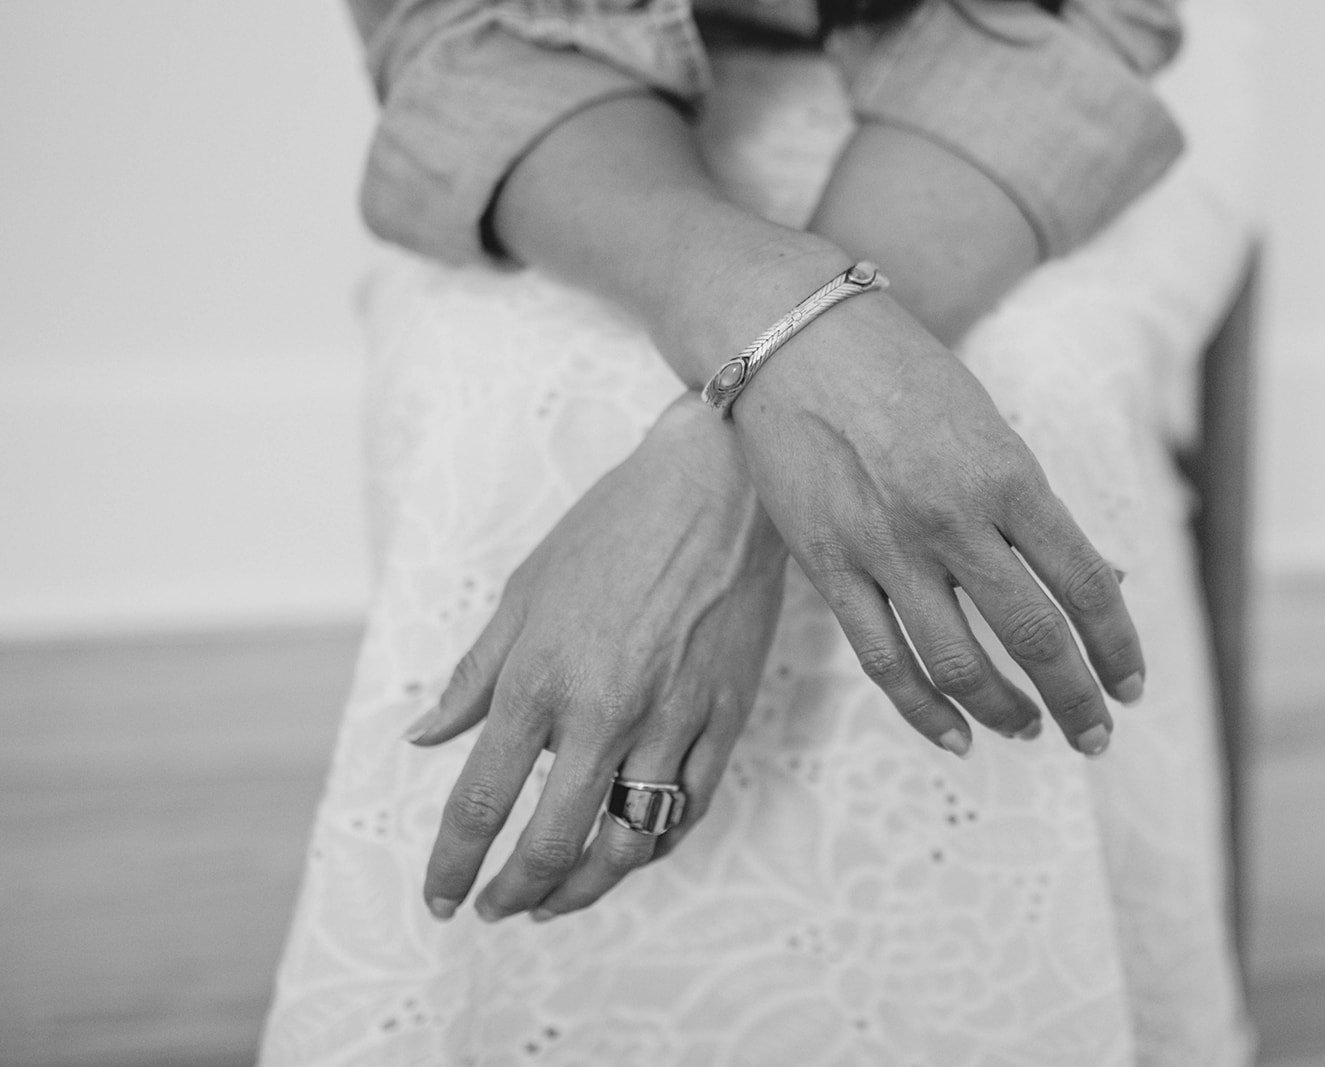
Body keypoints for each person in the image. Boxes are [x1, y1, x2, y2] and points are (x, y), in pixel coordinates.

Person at [262, 0, 1257, 1061]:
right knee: (497, 400)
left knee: (1021, 395)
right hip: (575, 123)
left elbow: (1082, 28)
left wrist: (716, 471)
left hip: (1002, 104)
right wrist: (778, 333)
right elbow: (458, 28)